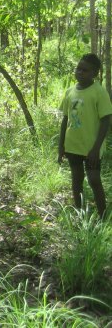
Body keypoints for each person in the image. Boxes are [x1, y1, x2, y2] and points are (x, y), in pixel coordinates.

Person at [58, 53, 112, 219]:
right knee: (76, 180)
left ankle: (104, 218)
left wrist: (96, 149)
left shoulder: (99, 92)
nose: (80, 72)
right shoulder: (70, 91)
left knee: (94, 180)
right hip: (73, 145)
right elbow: (65, 119)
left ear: (95, 73)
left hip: (91, 148)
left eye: (85, 70)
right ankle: (80, 214)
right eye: (78, 69)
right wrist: (61, 146)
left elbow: (106, 120)